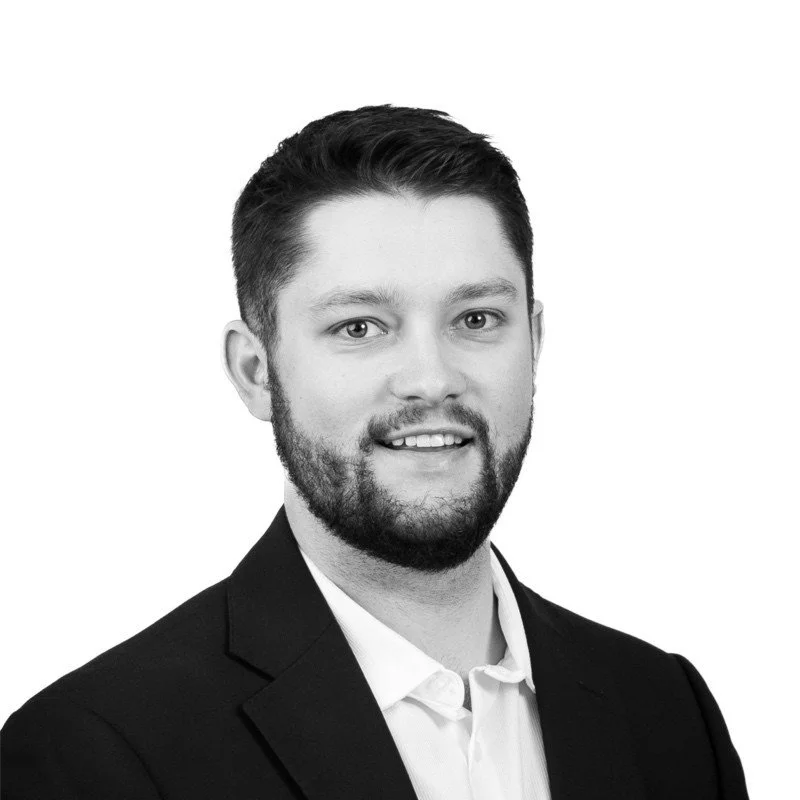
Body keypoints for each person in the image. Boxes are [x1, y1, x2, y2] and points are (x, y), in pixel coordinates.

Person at [1, 105, 749, 799]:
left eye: (478, 317)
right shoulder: (93, 753)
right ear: (256, 372)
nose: (432, 378)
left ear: (536, 342)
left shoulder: (666, 711)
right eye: (361, 326)